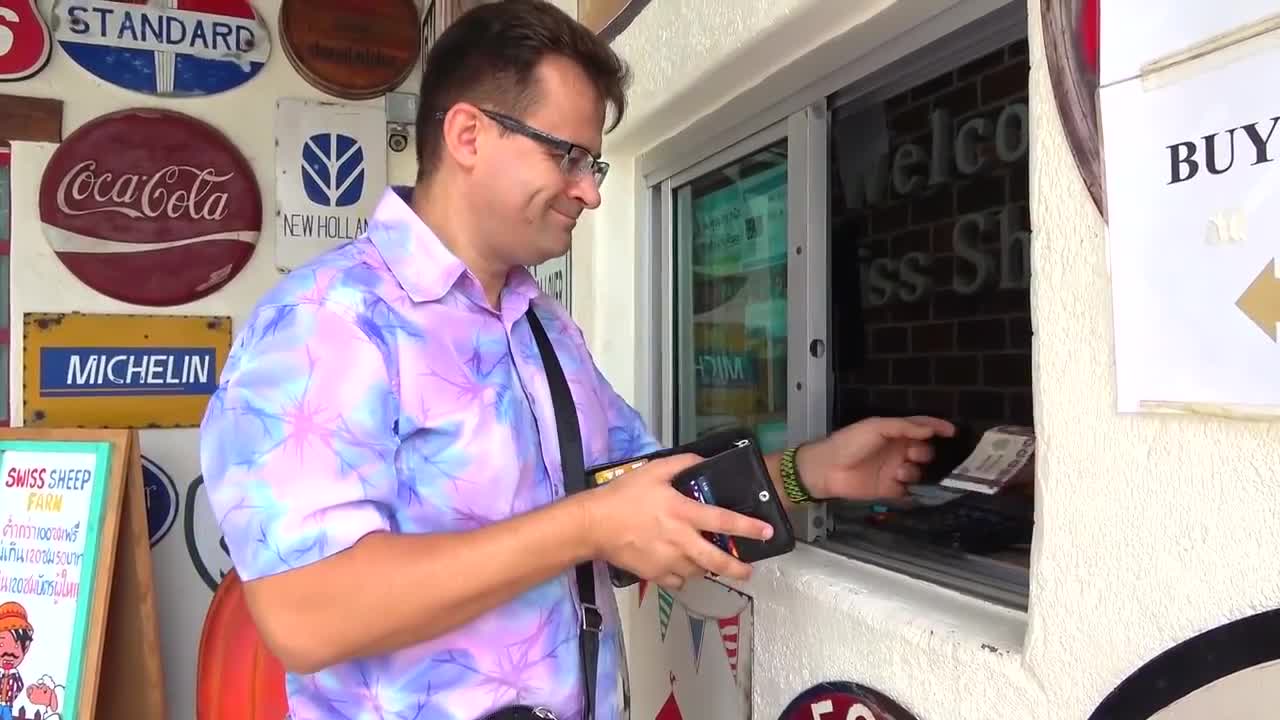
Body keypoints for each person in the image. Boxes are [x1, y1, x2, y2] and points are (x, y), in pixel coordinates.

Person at [198, 1, 956, 719]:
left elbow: (643, 497)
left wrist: (812, 473)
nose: (590, 192)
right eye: (568, 156)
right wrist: (585, 527)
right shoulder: (325, 322)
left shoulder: (543, 328)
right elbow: (306, 613)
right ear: (467, 136)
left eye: (593, 163)